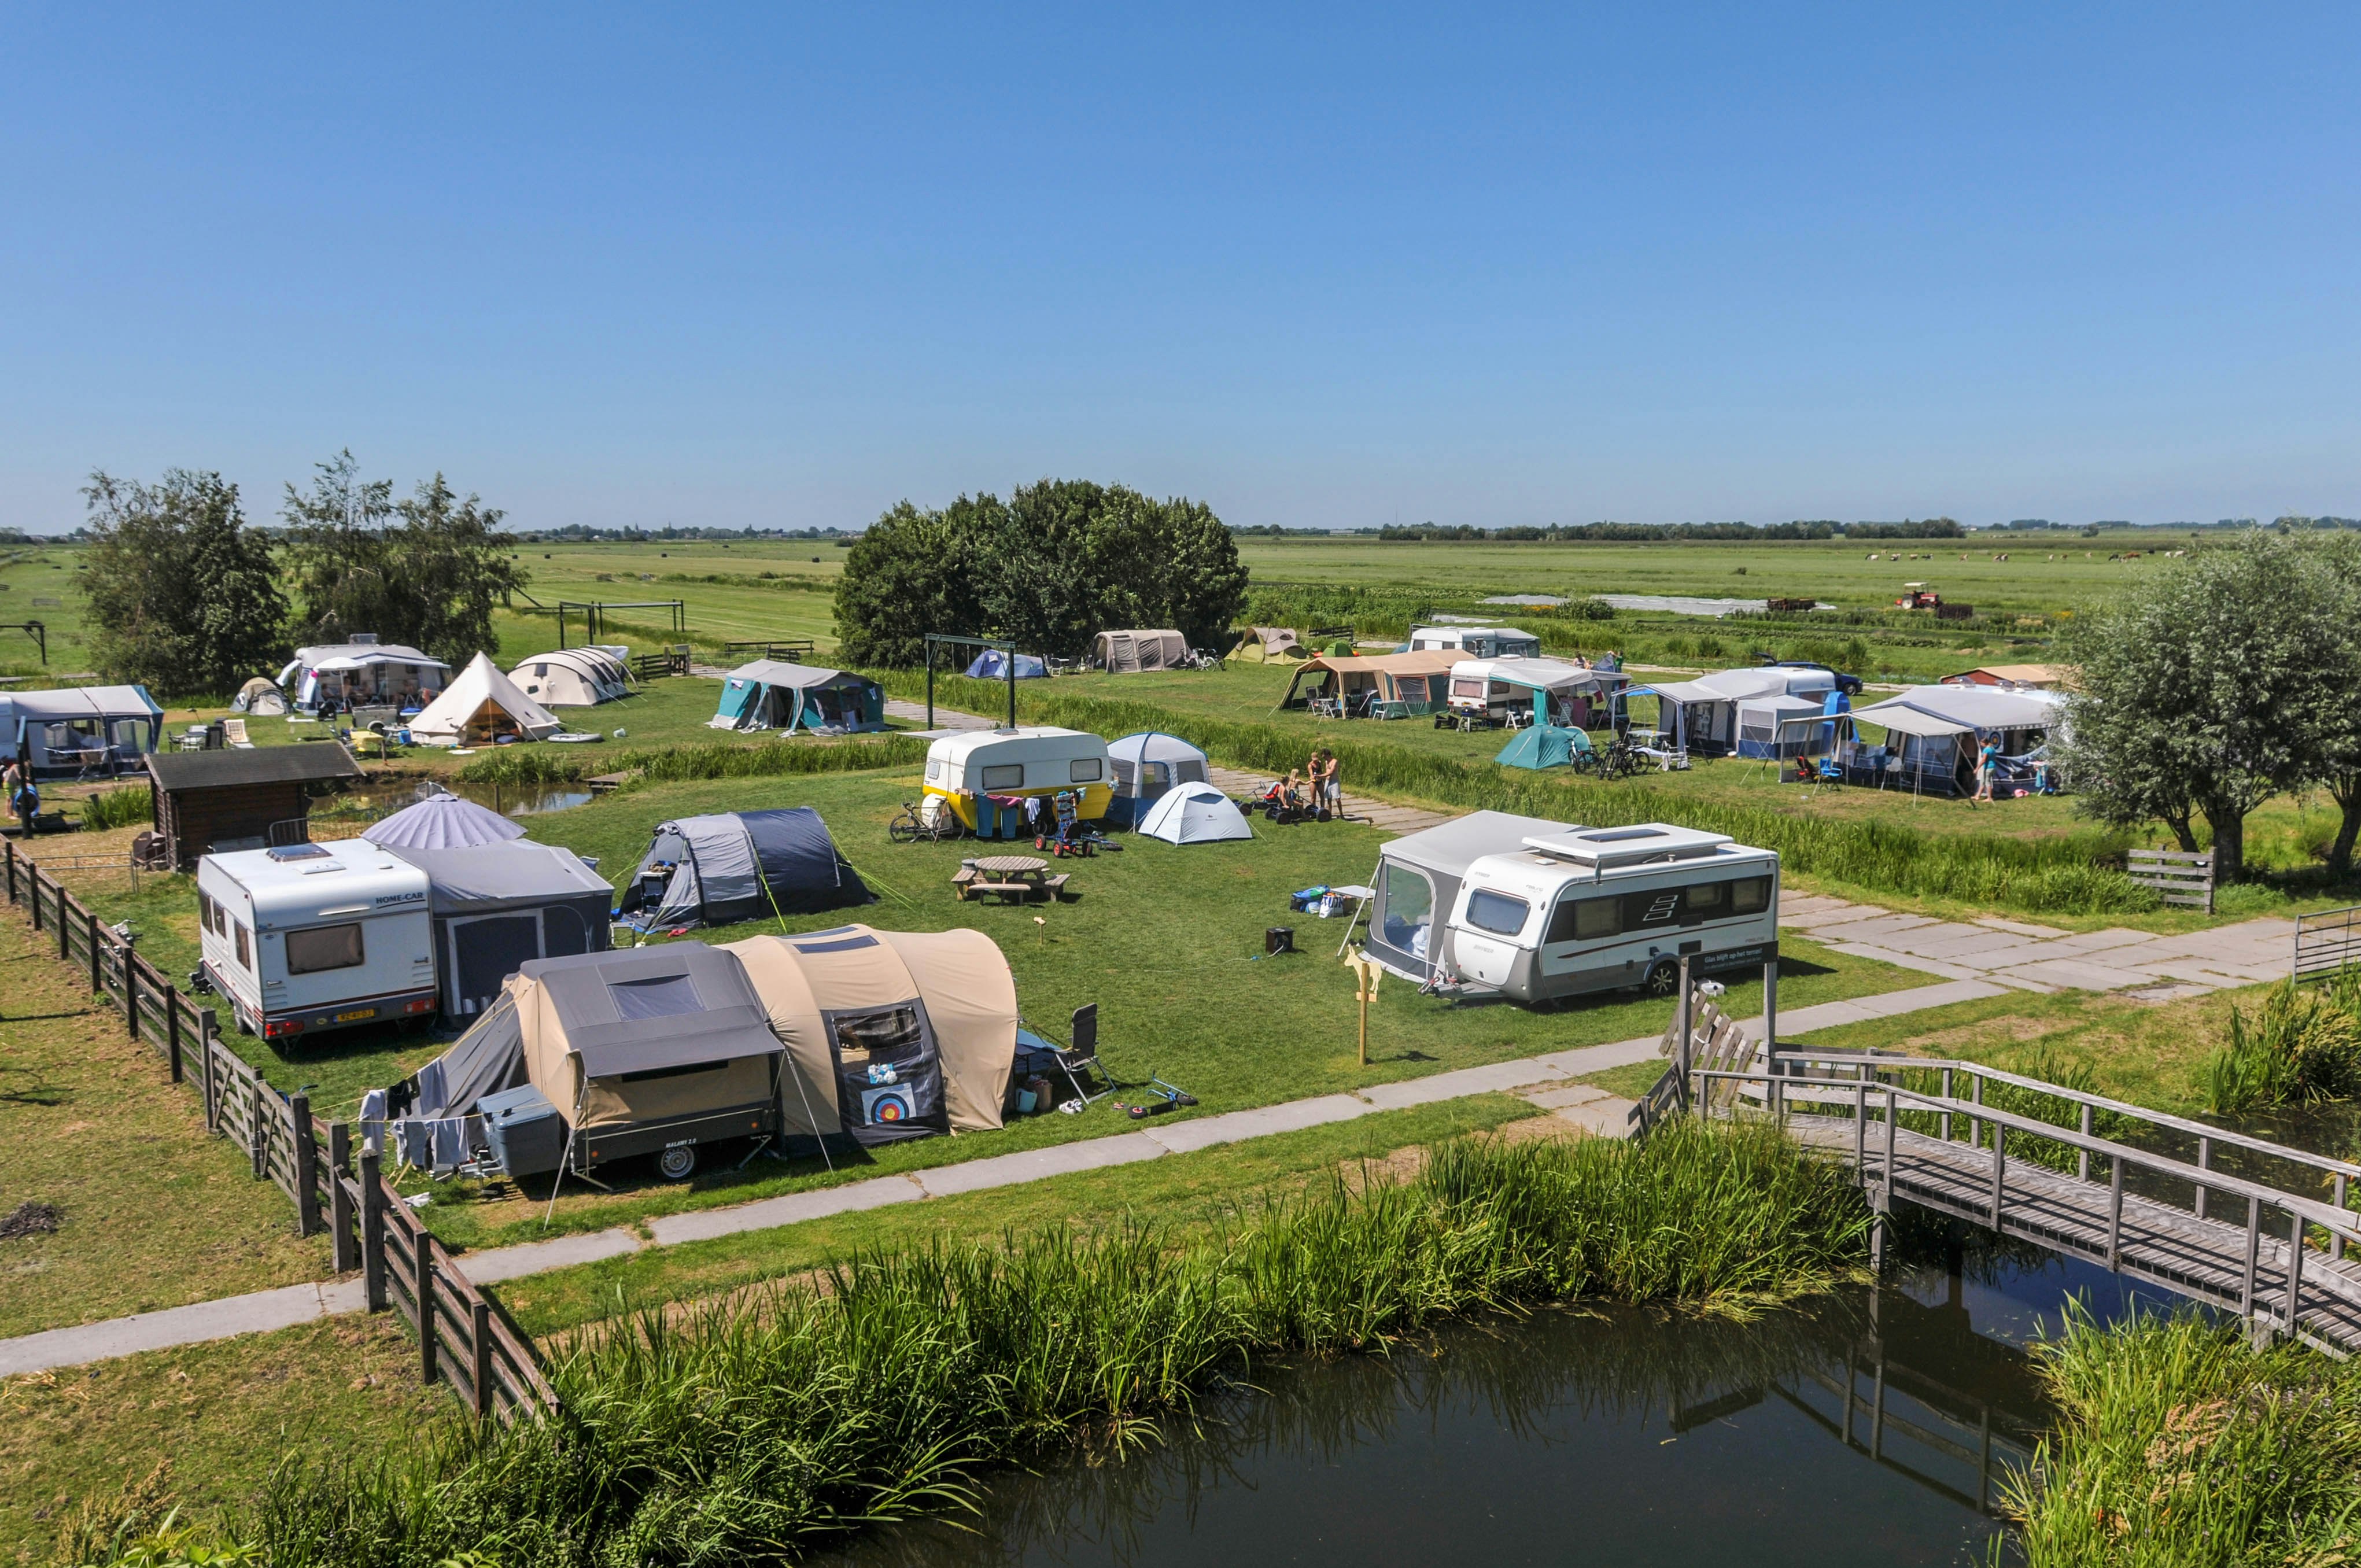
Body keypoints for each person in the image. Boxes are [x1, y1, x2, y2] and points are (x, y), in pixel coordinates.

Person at [1974, 737, 2000, 804]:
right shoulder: (1992, 748)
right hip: (1992, 767)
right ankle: (1977, 796)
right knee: (1982, 781)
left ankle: (1989, 798)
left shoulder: (1987, 750)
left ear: (1984, 743)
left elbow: (1984, 760)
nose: (1981, 744)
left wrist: (1977, 769)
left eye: (1981, 743)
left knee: (1987, 783)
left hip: (1989, 768)